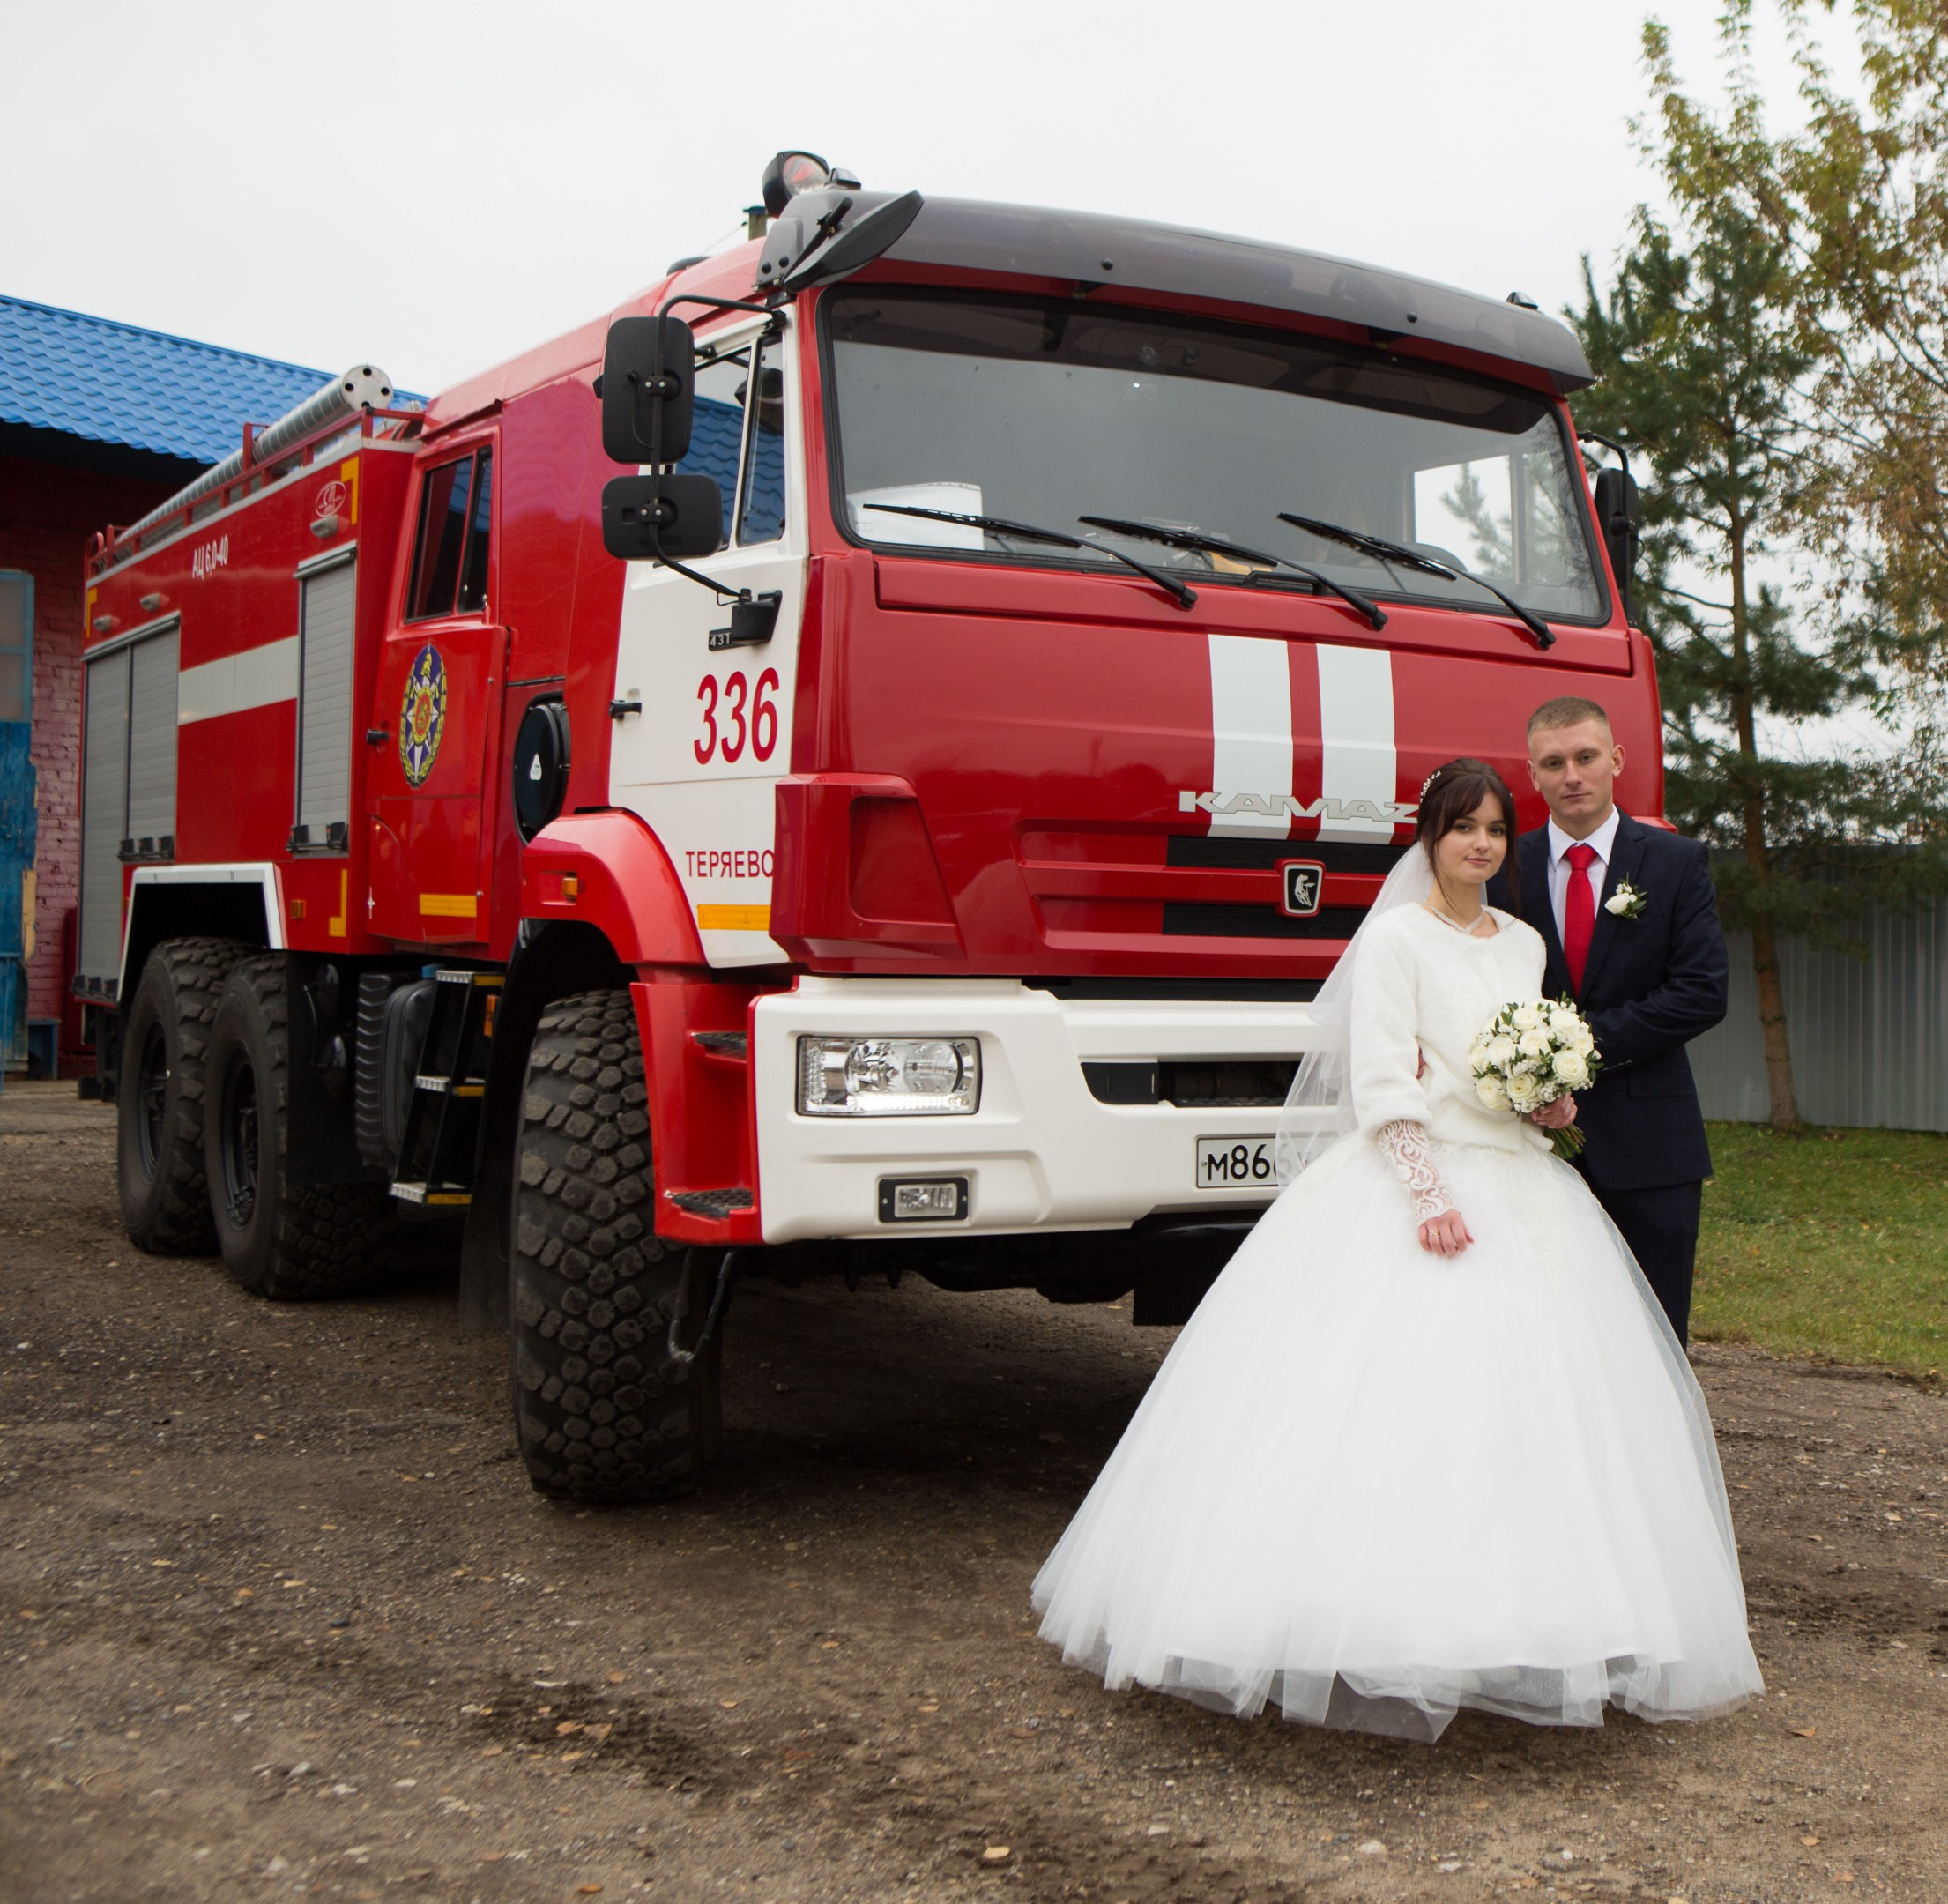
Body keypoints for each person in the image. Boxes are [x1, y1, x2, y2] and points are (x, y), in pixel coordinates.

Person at [1032, 759, 1762, 1742]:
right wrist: (1426, 1194)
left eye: (1495, 830)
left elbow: (1513, 1058)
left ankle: (1536, 1621)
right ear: (1428, 837)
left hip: (1521, 1175)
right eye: (1461, 827)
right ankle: (1361, 1621)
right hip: (1422, 1185)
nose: (1479, 845)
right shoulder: (1392, 942)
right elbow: (1383, 1079)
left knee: (1539, 1411)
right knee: (1387, 1407)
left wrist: (1549, 1100)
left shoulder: (1520, 943)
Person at [1501, 697, 1727, 1346]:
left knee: (1652, 1341)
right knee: (1543, 1335)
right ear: (1533, 774)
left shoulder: (1676, 864)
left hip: (1651, 1147)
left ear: (1615, 761)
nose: (1571, 774)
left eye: (1584, 757)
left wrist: (1573, 1050)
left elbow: (1702, 992)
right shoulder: (1502, 871)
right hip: (1528, 1147)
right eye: (1553, 762)